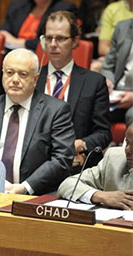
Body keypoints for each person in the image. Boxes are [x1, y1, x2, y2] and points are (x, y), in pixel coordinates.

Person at [0, 48, 75, 195]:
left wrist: (25, 187)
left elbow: (62, 159)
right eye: (9, 72)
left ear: (36, 79)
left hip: (37, 195)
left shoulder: (55, 111)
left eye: (23, 74)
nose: (15, 80)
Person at [35, 11, 111, 172]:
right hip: (35, 164)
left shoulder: (94, 82)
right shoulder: (32, 79)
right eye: (48, 38)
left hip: (75, 164)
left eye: (61, 38)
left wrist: (82, 144)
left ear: (75, 41)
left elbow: (103, 133)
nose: (53, 44)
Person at [58, 124, 133, 210]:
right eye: (127, 142)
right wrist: (99, 195)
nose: (127, 150)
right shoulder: (114, 159)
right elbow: (67, 184)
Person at [0, 0, 77, 51]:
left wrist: (17, 42)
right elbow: (3, 32)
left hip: (43, 57)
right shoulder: (18, 5)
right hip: (13, 54)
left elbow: (52, 40)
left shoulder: (64, 8)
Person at [100, 18, 133, 126]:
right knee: (83, 106)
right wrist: (108, 81)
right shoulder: (122, 27)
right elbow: (108, 66)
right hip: (117, 93)